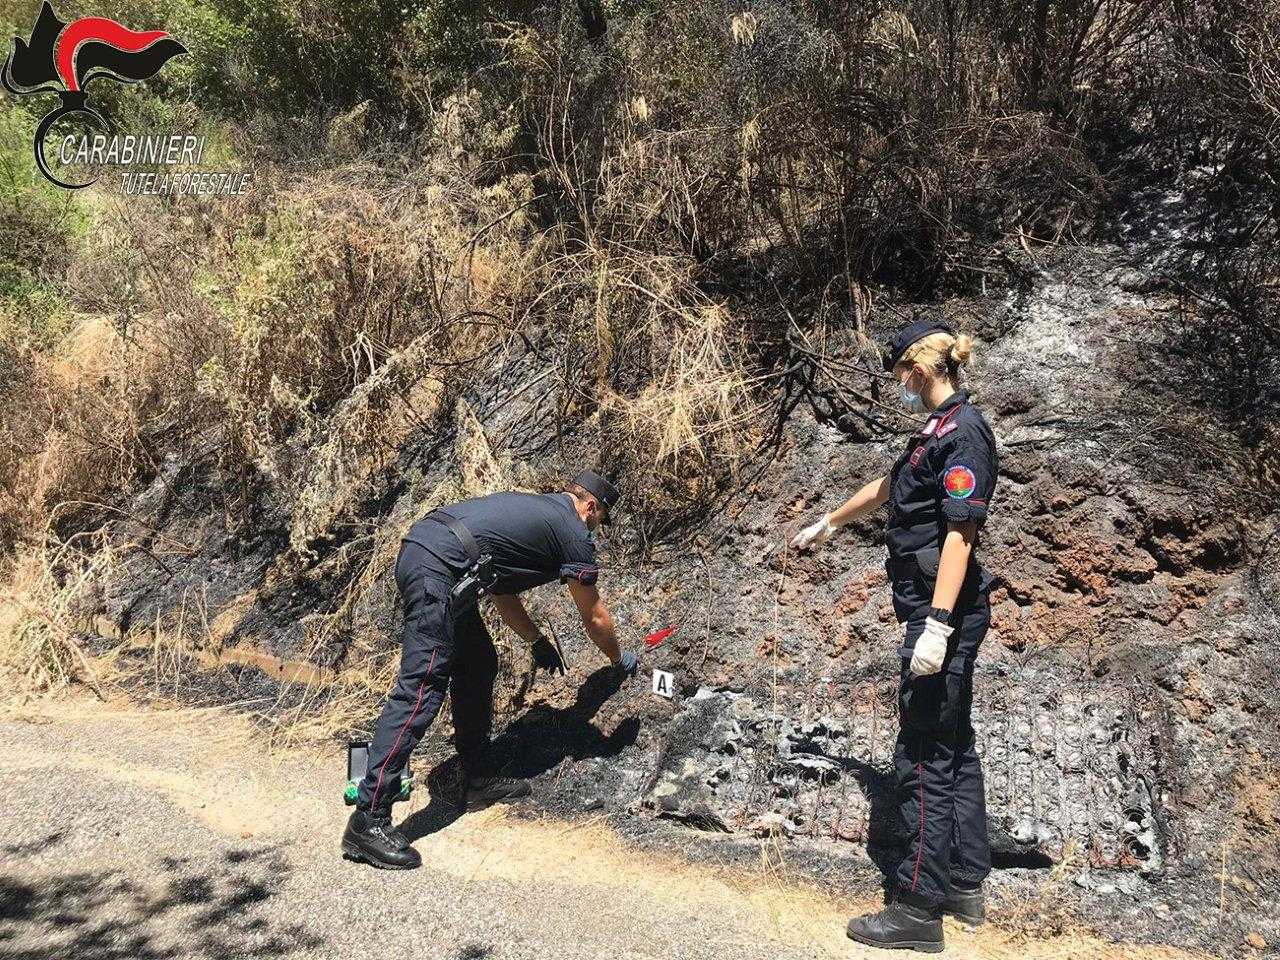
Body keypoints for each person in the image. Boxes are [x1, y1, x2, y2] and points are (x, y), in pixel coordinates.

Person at [791, 320, 998, 953]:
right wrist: (830, 519)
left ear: (921, 368)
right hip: (932, 609)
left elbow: (961, 533)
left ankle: (917, 908)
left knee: (920, 757)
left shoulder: (965, 434)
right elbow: (890, 488)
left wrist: (937, 624)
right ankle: (962, 883)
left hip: (943, 614)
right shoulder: (931, 434)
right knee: (951, 745)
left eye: (900, 373)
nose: (897, 386)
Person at [342, 470, 639, 870]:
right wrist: (618, 659)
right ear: (590, 508)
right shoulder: (573, 529)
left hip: (433, 555)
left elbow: (502, 592)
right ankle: (368, 818)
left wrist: (535, 640)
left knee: (479, 662)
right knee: (421, 687)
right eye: (599, 520)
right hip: (438, 569)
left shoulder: (538, 513)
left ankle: (473, 777)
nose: (596, 529)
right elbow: (594, 614)